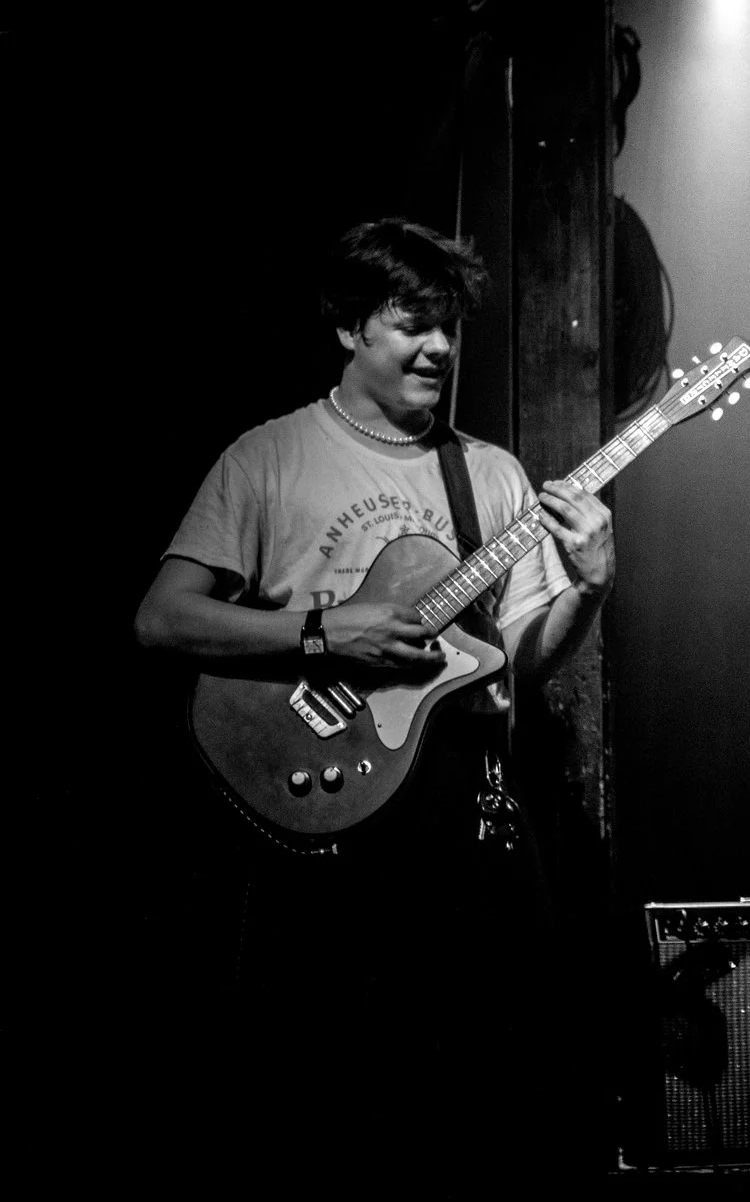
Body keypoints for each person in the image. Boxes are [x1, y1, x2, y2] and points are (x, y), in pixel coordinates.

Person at [134, 219, 613, 1195]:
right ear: (352, 326)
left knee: (479, 1112)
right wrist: (327, 633)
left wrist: (590, 588)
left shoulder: (488, 476)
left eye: (451, 326)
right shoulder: (268, 458)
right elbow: (162, 619)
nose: (440, 346)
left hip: (453, 827)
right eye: (413, 323)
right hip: (311, 826)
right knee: (313, 1113)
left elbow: (515, 665)